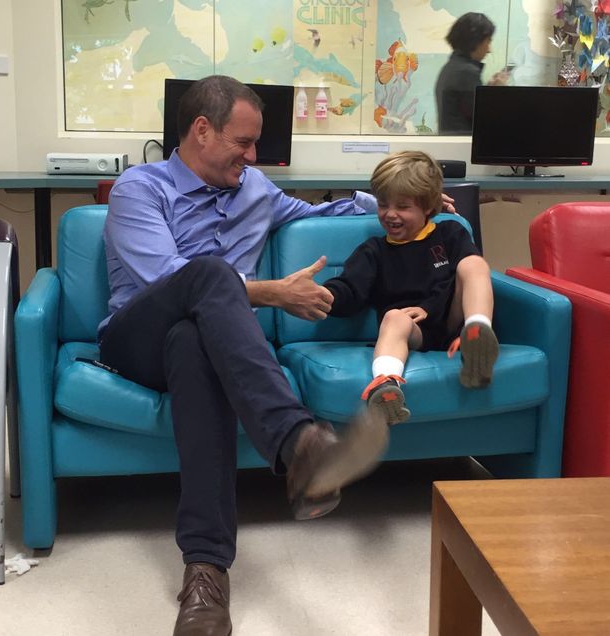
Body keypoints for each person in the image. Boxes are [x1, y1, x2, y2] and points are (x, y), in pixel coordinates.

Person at [99, 75, 451, 636]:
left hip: (196, 347)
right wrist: (271, 292)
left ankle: (206, 574)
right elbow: (163, 280)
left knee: (193, 342)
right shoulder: (140, 189)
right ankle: (298, 442)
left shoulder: (256, 189)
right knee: (205, 276)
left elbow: (319, 213)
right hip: (134, 336)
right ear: (201, 130)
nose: (253, 155)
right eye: (243, 142)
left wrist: (398, 203)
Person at [323, 150, 499, 426]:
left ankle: (478, 335)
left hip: (453, 320)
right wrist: (325, 296)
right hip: (414, 331)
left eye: (403, 207)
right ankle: (386, 385)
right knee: (394, 317)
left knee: (474, 264)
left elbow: (455, 281)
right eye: (383, 205)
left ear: (429, 206)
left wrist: (428, 308)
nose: (390, 214)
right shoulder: (374, 251)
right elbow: (350, 290)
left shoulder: (450, 233)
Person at [435, 12, 509, 134]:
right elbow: (488, 121)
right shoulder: (466, 73)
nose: (489, 49)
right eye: (488, 41)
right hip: (464, 149)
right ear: (476, 41)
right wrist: (500, 94)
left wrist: (487, 92)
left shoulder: (450, 68)